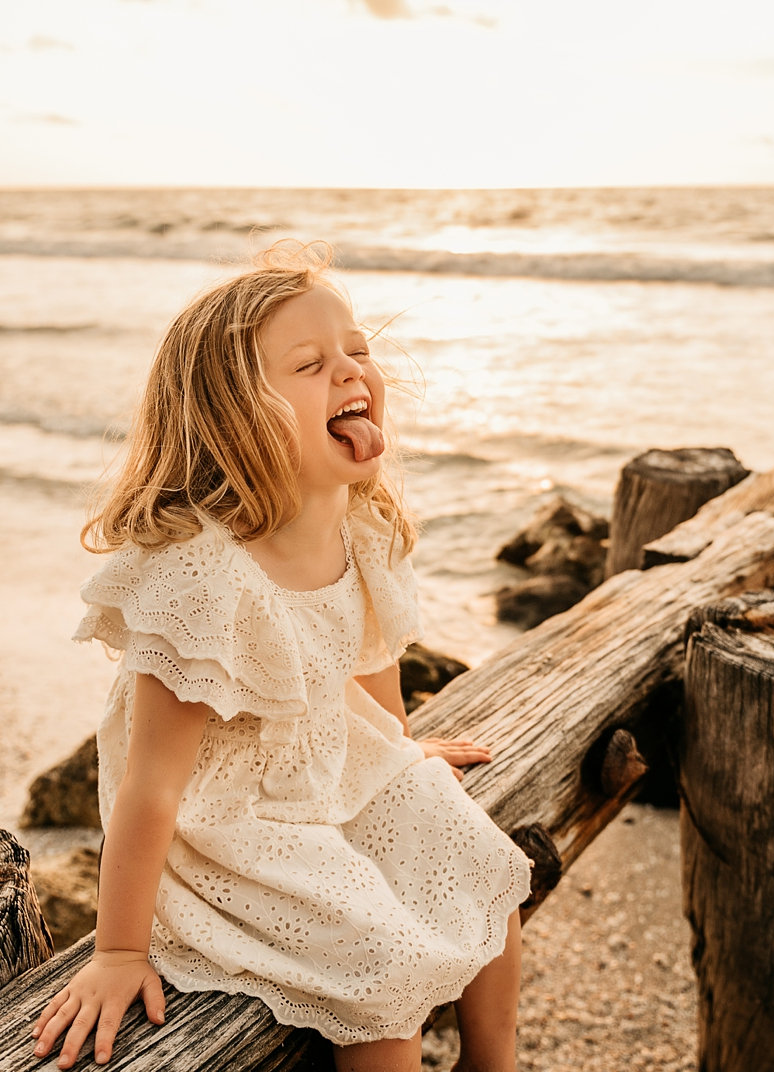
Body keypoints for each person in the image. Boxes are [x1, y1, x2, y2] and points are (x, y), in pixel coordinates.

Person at [30, 241, 532, 1072]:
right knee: (388, 971)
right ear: (234, 417)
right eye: (309, 365)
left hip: (329, 762)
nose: (352, 373)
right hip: (224, 821)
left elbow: (370, 662)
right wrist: (118, 952)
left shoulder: (361, 527)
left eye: (358, 351)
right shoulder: (204, 578)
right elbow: (150, 788)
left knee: (486, 868)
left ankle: (494, 1063)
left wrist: (398, 759)